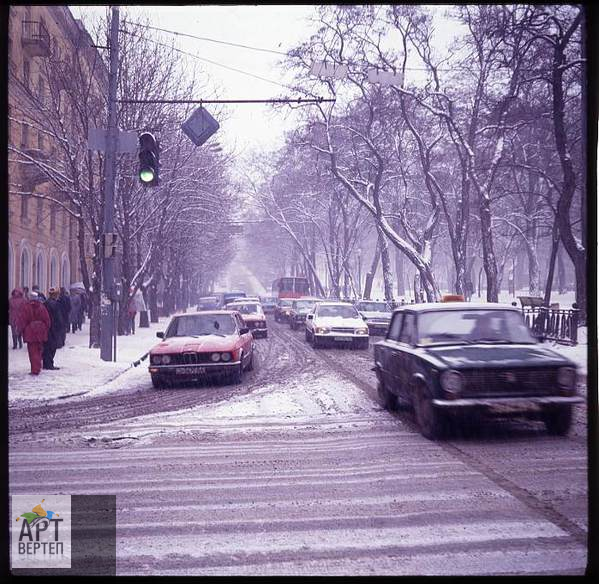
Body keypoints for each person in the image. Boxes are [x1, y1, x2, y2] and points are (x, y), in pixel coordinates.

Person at [17, 292, 50, 375]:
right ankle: (38, 367)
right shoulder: (42, 307)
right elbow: (47, 320)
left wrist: (21, 330)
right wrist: (45, 329)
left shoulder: (26, 307)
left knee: (32, 351)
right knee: (39, 350)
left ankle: (34, 369)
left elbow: (23, 320)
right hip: (40, 331)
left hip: (30, 331)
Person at [42, 288, 64, 370]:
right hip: (54, 328)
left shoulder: (45, 303)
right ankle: (49, 364)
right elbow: (59, 317)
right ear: (55, 294)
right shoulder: (56, 304)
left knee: (46, 346)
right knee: (52, 347)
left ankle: (45, 363)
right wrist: (61, 326)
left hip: (46, 327)